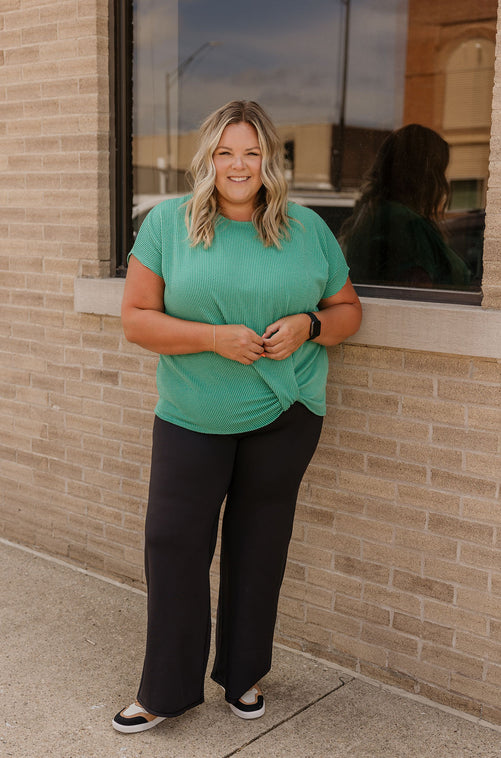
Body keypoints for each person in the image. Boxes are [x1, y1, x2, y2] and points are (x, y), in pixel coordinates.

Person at [112, 100, 362, 734]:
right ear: (208, 159)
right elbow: (136, 319)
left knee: (259, 546)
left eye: (252, 152)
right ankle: (164, 690)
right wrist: (213, 338)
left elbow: (347, 311)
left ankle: (244, 673)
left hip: (285, 413)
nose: (239, 164)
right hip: (193, 415)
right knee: (173, 545)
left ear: (270, 159)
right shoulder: (167, 223)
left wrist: (310, 325)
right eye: (227, 151)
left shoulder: (307, 229)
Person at [340, 123, 471, 289]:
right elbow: (417, 294)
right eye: (440, 172)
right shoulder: (407, 226)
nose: (443, 182)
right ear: (425, 175)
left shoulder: (371, 216)